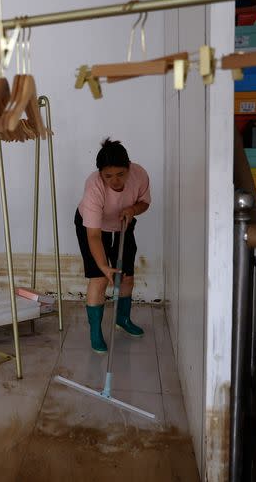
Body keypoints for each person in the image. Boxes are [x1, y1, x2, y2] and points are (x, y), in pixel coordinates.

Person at [74, 138, 150, 353]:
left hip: (124, 224)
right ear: (100, 173)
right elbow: (94, 236)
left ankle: (123, 319)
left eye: (120, 174)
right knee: (99, 278)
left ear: (129, 167)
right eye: (108, 176)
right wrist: (104, 266)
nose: (115, 181)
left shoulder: (139, 174)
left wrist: (133, 209)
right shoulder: (94, 188)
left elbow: (145, 202)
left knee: (126, 276)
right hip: (92, 228)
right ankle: (96, 332)